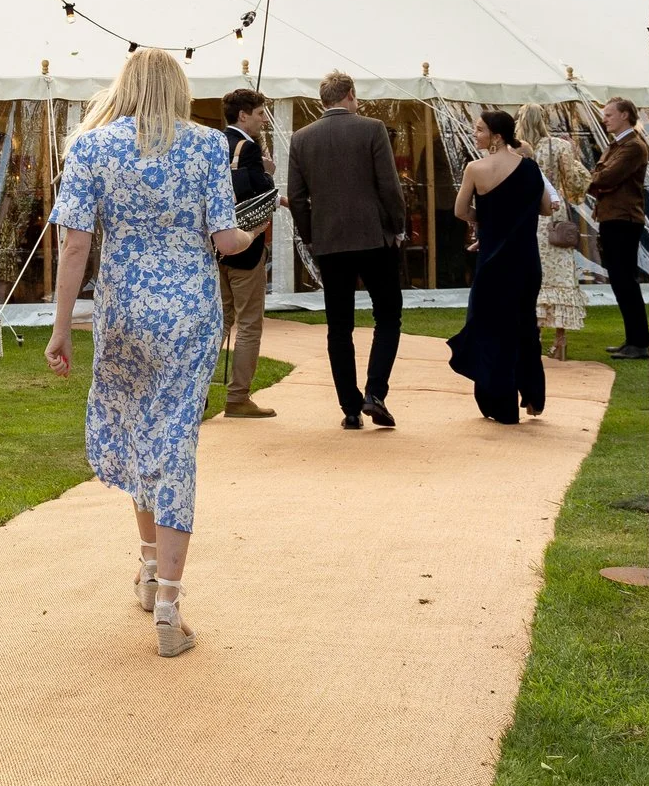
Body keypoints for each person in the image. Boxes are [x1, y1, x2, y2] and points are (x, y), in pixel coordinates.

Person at [44, 49, 258, 658]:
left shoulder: (91, 148)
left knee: (140, 431)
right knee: (175, 442)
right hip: (188, 310)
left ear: (128, 86)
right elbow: (225, 239)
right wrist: (257, 228)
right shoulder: (208, 147)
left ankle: (146, 569)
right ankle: (167, 601)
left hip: (123, 312)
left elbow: (74, 247)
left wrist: (62, 328)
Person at [285, 70, 408, 430]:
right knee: (388, 317)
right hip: (374, 237)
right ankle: (376, 392)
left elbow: (298, 197)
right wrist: (398, 227)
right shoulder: (371, 129)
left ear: (324, 100)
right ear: (351, 94)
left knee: (339, 327)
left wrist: (310, 235)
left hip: (330, 241)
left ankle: (350, 407)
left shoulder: (301, 138)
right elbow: (389, 185)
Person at [448, 110, 551, 423]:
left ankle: (501, 405)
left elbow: (460, 210)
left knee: (493, 330)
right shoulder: (530, 168)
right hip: (527, 262)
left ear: (496, 135)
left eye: (479, 130)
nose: (475, 134)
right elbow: (546, 208)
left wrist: (488, 222)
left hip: (494, 263)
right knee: (525, 327)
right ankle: (533, 396)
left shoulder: (476, 169)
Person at [216, 87, 277, 417]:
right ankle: (238, 397)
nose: (263, 119)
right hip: (246, 247)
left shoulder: (213, 145)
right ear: (243, 115)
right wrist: (268, 173)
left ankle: (197, 395)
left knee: (220, 323)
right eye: (259, 113)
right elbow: (258, 191)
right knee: (250, 324)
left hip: (215, 247)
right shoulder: (249, 149)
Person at [520, 102, 592, 359]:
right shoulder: (559, 146)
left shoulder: (515, 149)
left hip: (526, 213)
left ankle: (533, 335)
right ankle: (560, 339)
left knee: (530, 273)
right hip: (553, 211)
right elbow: (575, 183)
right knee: (560, 273)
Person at [585, 97, 649, 360]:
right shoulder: (617, 145)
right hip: (613, 217)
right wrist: (598, 182)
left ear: (625, 115)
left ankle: (639, 343)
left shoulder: (633, 147)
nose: (605, 119)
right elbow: (600, 179)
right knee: (620, 281)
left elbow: (605, 177)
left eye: (609, 114)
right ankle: (634, 339)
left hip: (623, 219)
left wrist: (597, 181)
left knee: (625, 281)